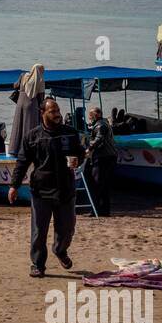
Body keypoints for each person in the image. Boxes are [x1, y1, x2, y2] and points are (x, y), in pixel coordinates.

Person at [8, 97, 84, 278]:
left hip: (66, 189)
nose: (57, 114)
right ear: (43, 113)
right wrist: (14, 186)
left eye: (58, 111)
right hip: (41, 191)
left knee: (66, 229)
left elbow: (80, 152)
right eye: (53, 111)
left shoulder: (70, 133)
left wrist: (78, 159)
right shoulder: (32, 136)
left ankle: (60, 250)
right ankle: (38, 264)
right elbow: (22, 162)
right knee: (39, 231)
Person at [84, 105, 117, 216]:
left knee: (96, 184)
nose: (89, 118)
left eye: (90, 116)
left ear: (96, 115)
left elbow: (99, 139)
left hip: (103, 158)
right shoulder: (104, 123)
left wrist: (89, 147)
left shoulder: (100, 126)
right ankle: (104, 210)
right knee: (104, 185)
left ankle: (95, 210)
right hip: (108, 157)